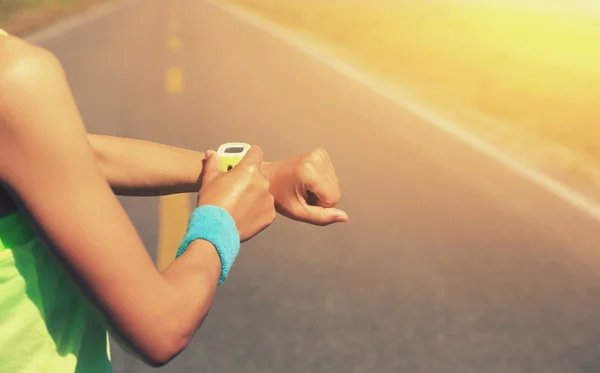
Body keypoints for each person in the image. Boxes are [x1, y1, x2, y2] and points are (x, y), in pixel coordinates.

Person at [0, 29, 348, 372]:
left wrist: (256, 172)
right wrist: (219, 224)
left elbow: (60, 152)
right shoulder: (13, 74)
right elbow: (161, 326)